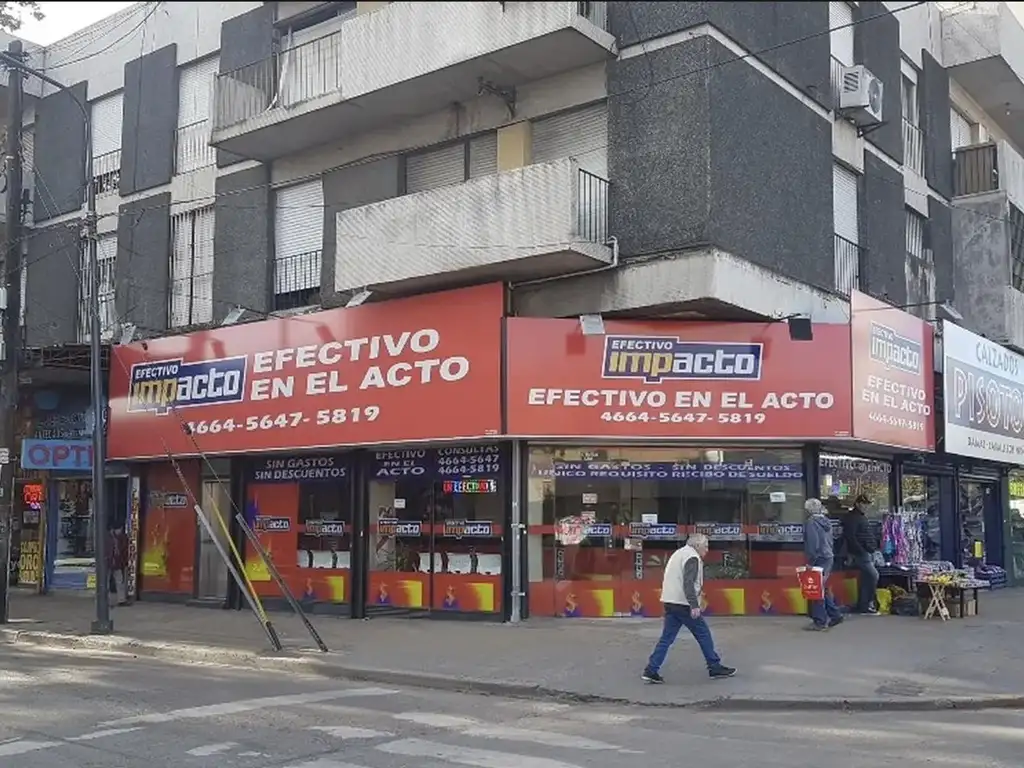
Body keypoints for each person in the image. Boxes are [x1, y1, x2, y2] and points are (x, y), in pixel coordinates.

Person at [642, 533, 736, 683]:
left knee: (666, 638)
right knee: (703, 633)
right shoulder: (692, 557)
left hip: (670, 601)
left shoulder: (679, 553)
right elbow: (688, 582)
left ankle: (651, 669)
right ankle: (714, 666)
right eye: (705, 546)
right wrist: (694, 604)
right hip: (683, 603)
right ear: (697, 546)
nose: (707, 550)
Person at [804, 498, 843, 631]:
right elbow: (831, 541)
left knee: (816, 589)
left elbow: (813, 544)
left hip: (818, 557)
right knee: (822, 587)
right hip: (828, 556)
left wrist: (810, 561)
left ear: (808, 510)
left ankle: (820, 621)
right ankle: (835, 615)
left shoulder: (811, 523)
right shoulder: (827, 521)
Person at [842, 494, 879, 615]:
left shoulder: (860, 517)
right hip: (861, 553)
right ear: (857, 504)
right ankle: (866, 604)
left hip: (865, 551)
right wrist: (861, 550)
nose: (866, 506)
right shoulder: (853, 518)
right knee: (873, 576)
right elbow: (851, 537)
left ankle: (864, 605)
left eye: (867, 504)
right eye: (864, 504)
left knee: (866, 578)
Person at [108, 526, 130, 607]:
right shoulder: (107, 538)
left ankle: (121, 600)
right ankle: (106, 601)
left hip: (116, 563)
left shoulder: (119, 538)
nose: (120, 531)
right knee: (106, 583)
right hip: (108, 563)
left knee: (119, 581)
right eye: (119, 529)